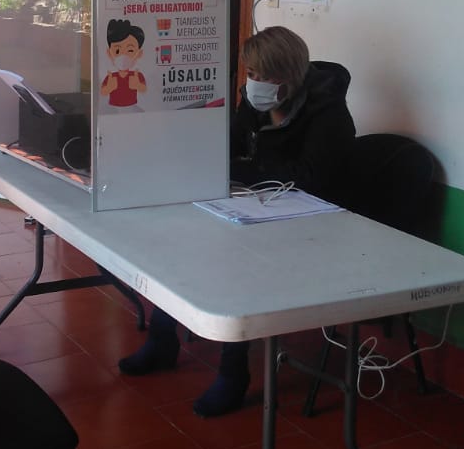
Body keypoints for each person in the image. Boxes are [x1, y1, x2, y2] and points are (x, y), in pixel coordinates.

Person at [118, 26, 357, 416]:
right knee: (183, 244)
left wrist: (244, 168)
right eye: (251, 73)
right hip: (258, 209)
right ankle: (162, 340)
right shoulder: (256, 102)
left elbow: (311, 179)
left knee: (234, 267)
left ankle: (233, 372)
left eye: (264, 75)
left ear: (289, 76)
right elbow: (229, 144)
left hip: (311, 228)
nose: (254, 82)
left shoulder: (329, 116)